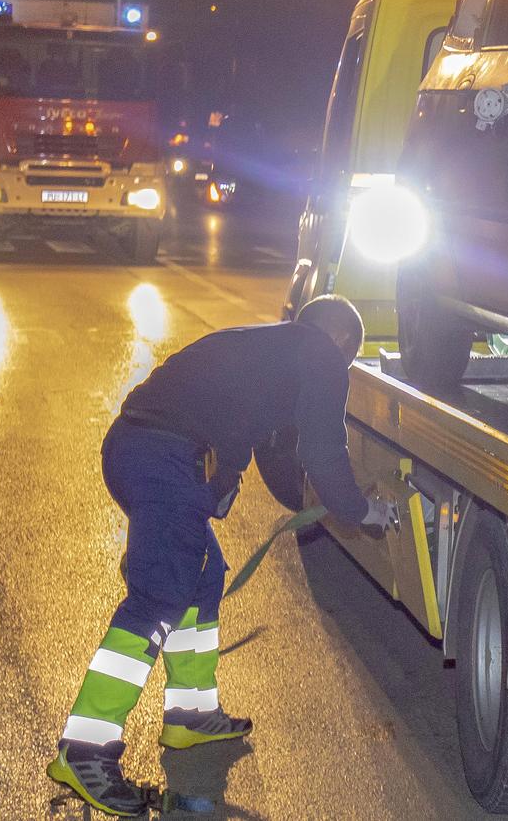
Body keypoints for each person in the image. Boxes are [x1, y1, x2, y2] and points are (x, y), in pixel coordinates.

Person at [47, 295, 396, 816]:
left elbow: (280, 457)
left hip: (136, 448)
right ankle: (86, 749)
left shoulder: (268, 352)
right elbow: (323, 450)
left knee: (203, 576)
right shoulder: (322, 354)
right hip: (166, 457)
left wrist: (315, 501)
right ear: (343, 342)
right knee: (160, 595)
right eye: (346, 359)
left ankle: (190, 715)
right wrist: (361, 511)